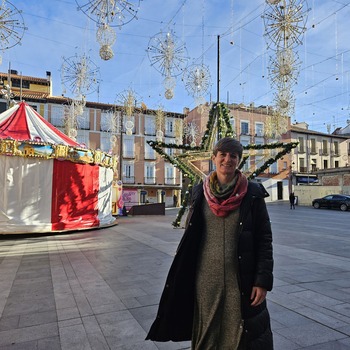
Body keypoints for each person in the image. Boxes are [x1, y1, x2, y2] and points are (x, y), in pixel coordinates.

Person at [146, 137, 274, 349]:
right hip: (205, 278)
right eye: (222, 154)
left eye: (233, 156)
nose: (227, 159)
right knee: (207, 331)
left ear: (239, 161)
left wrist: (262, 280)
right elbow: (191, 235)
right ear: (214, 158)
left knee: (238, 332)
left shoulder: (252, 194)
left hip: (240, 278)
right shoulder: (199, 193)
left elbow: (264, 239)